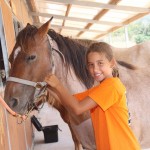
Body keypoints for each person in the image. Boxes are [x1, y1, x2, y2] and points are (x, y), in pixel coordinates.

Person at [45, 42, 141, 150]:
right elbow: (69, 101)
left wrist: (57, 84)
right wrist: (47, 87)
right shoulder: (99, 89)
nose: (95, 69)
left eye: (100, 63)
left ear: (112, 63)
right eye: (91, 65)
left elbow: (78, 108)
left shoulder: (112, 86)